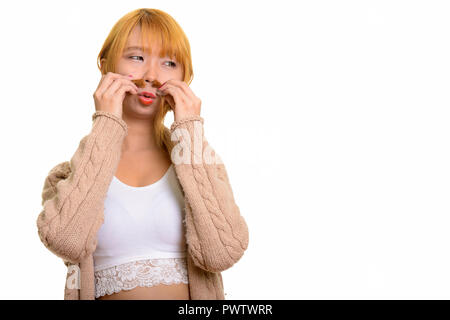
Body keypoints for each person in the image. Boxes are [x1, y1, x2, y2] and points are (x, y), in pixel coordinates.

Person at [36, 8, 249, 300]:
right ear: (105, 64)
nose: (151, 76)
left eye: (169, 62)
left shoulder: (200, 164)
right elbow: (65, 242)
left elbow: (223, 254)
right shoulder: (64, 178)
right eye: (137, 57)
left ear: (185, 77)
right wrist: (107, 123)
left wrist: (189, 131)